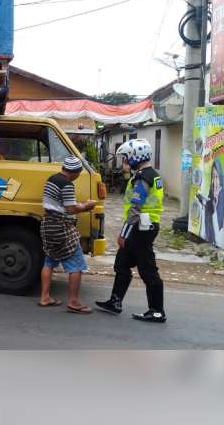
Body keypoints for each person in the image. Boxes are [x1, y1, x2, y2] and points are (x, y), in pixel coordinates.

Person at [95, 138, 167, 323]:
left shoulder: (143, 178)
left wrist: (122, 235)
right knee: (121, 264)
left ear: (136, 156)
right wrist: (128, 174)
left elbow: (134, 210)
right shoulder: (149, 174)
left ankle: (157, 311)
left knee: (147, 269)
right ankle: (115, 302)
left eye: (126, 157)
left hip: (141, 228)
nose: (125, 161)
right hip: (143, 226)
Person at [39, 156, 97, 314]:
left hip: (47, 225)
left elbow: (59, 204)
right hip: (61, 227)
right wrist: (87, 206)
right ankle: (73, 302)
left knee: (49, 261)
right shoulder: (67, 184)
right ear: (76, 173)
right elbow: (70, 209)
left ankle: (45, 297)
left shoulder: (52, 179)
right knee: (76, 264)